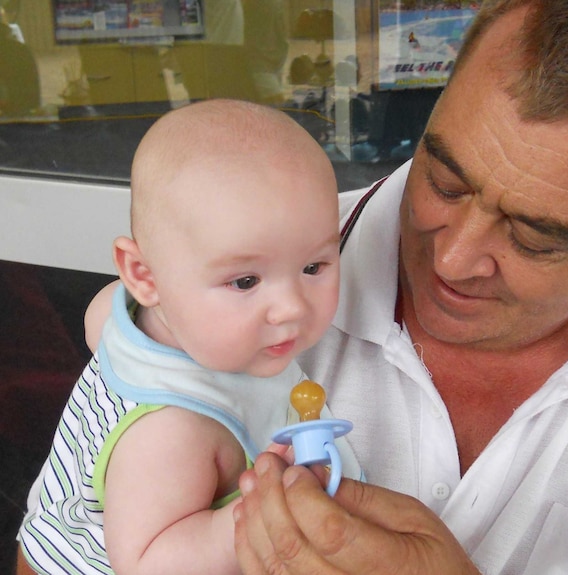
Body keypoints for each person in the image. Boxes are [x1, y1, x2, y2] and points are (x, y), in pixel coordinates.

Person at [32, 1, 568, 574]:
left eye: (535, 234)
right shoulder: (241, 288)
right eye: (444, 178)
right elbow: (54, 547)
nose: (453, 259)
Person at [16, 99, 361, 575]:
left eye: (313, 266)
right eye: (245, 281)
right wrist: (258, 506)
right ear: (145, 275)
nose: (292, 307)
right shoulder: (175, 431)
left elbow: (97, 326)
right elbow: (148, 564)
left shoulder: (122, 309)